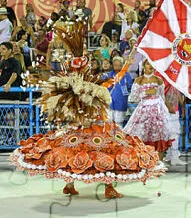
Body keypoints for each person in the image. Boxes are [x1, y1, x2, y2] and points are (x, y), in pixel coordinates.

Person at [10, 21, 165, 199]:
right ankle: (108, 187)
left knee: (72, 152)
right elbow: (114, 81)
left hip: (78, 127)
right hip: (99, 126)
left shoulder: (70, 86)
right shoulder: (91, 86)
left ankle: (69, 185)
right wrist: (125, 66)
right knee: (108, 153)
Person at [124, 60, 174, 161]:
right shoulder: (139, 80)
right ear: (143, 66)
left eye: (152, 64)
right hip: (143, 110)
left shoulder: (159, 80)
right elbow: (133, 98)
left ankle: (159, 163)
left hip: (158, 110)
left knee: (159, 134)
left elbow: (162, 97)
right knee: (141, 135)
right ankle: (144, 161)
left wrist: (167, 109)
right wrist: (146, 92)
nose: (150, 66)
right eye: (147, 64)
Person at [104, 56, 133, 128]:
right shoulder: (107, 75)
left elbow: (130, 87)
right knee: (108, 122)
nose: (117, 67)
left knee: (119, 122)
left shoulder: (126, 76)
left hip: (121, 102)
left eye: (119, 65)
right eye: (115, 65)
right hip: (108, 103)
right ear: (112, 65)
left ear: (122, 65)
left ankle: (119, 138)